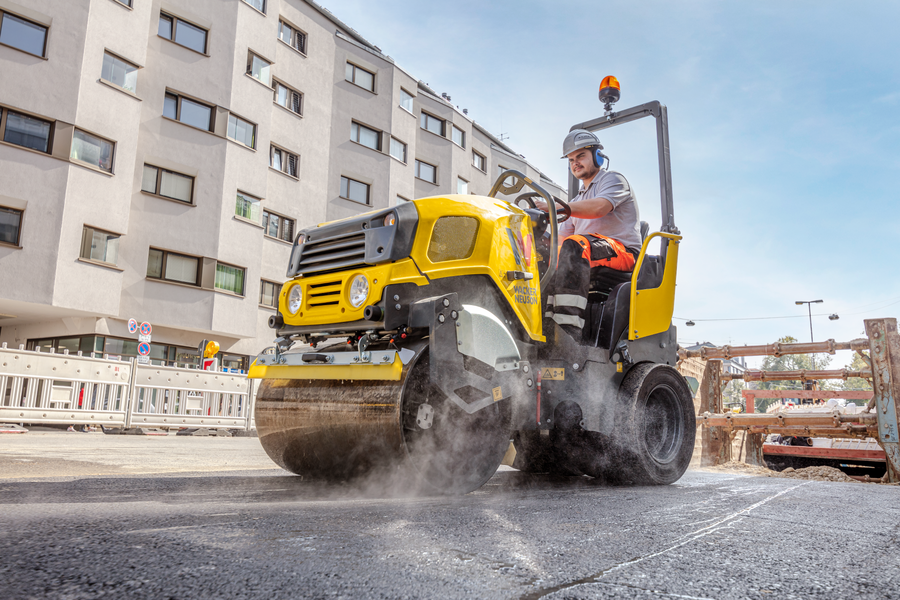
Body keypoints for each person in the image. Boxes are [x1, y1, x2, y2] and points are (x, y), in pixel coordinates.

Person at [535, 129, 641, 338]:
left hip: (624, 252)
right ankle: (545, 325)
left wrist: (559, 208)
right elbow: (561, 242)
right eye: (571, 159)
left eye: (581, 156)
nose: (575, 163)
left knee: (576, 245)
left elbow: (600, 208)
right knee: (546, 256)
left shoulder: (613, 180)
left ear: (598, 156)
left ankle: (567, 331)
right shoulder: (574, 202)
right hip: (589, 252)